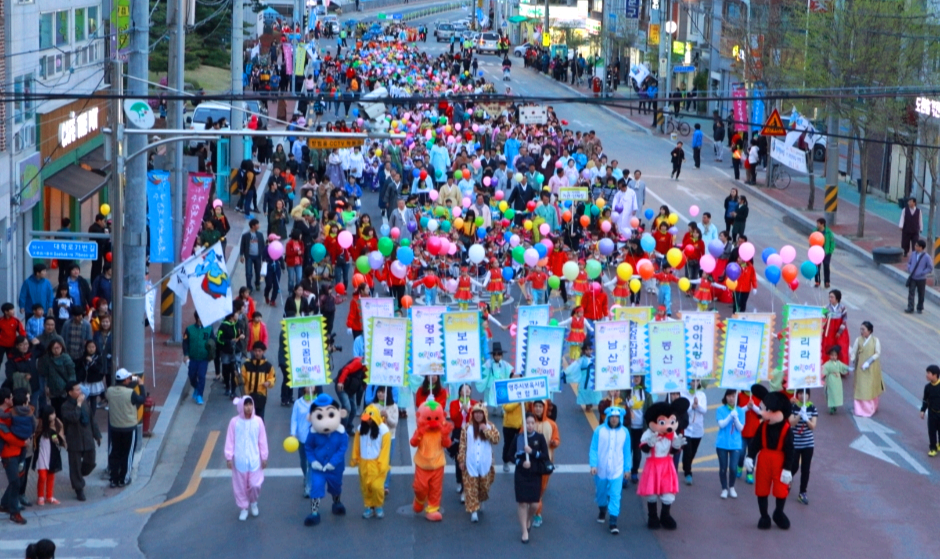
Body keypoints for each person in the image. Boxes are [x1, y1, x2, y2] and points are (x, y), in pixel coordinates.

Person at [225, 395, 269, 521]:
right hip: (240, 461)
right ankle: (243, 507)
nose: (248, 408)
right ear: (241, 406)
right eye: (246, 405)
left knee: (255, 485)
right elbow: (230, 440)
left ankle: (253, 502)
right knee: (240, 486)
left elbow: (262, 440)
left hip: (255, 460)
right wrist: (229, 457)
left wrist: (264, 456)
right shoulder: (234, 422)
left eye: (250, 405)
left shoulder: (258, 421)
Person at [589, 406, 631, 535]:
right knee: (601, 493)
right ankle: (602, 509)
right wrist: (593, 465)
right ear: (608, 417)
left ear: (620, 418)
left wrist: (627, 469)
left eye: (617, 417)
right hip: (601, 469)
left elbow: (627, 452)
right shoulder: (599, 431)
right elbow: (594, 448)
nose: (614, 419)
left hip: (617, 469)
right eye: (612, 417)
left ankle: (613, 521)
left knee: (615, 495)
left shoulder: (625, 432)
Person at [457, 404, 500, 523]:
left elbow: (496, 439)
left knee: (484, 487)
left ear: (484, 414)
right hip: (470, 462)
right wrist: (461, 460)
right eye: (476, 412)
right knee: (471, 488)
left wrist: (485, 430)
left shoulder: (490, 426)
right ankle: (473, 510)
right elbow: (462, 445)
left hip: (485, 462)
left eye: (480, 413)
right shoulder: (467, 428)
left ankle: (481, 499)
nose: (478, 415)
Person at [106, 368, 146, 487]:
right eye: (128, 378)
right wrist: (141, 384)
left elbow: (118, 388)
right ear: (125, 381)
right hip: (129, 427)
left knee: (115, 452)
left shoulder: (109, 391)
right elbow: (142, 399)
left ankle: (113, 478)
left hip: (115, 427)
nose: (130, 379)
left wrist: (129, 381)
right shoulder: (130, 393)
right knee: (127, 454)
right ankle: (124, 478)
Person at [60, 381, 99, 501]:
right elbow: (74, 418)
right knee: (75, 464)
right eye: (77, 390)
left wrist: (97, 435)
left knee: (91, 461)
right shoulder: (65, 406)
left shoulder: (84, 402)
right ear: (70, 392)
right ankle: (78, 488)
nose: (80, 391)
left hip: (87, 437)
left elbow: (91, 419)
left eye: (79, 389)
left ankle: (78, 475)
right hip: (74, 438)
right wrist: (78, 404)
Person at [351, 404, 391, 519]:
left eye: (369, 419)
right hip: (364, 463)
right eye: (366, 419)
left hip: (377, 464)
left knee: (377, 487)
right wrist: (355, 457)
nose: (367, 422)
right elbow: (356, 445)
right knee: (365, 486)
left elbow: (385, 450)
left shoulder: (384, 431)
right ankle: (368, 506)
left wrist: (382, 464)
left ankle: (378, 505)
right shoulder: (360, 429)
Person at [514, 413, 547, 544]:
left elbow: (545, 456)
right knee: (522, 503)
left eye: (532, 423)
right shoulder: (519, 437)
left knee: (534, 504)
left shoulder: (539, 438)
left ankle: (528, 518)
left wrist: (532, 452)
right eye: (527, 423)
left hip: (535, 474)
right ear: (524, 424)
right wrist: (521, 463)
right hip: (521, 474)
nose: (530, 425)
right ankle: (524, 531)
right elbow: (510, 455)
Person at [528, 399, 559, 527]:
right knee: (533, 488)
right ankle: (536, 512)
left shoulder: (551, 424)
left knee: (541, 488)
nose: (538, 409)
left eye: (541, 406)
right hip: (530, 462)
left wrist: (554, 443)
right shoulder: (529, 424)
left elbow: (556, 439)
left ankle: (536, 509)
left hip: (545, 461)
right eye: (536, 406)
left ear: (545, 408)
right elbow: (520, 438)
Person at [788, 388, 817, 506]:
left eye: (805, 394)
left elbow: (813, 426)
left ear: (809, 395)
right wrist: (800, 415)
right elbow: (791, 423)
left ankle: (802, 492)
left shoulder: (812, 408)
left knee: (806, 469)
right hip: (795, 442)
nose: (802, 396)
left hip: (808, 443)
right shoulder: (793, 407)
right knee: (794, 465)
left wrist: (806, 419)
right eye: (800, 393)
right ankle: (788, 479)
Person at [849, 321, 883, 417]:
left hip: (871, 368)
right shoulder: (858, 340)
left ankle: (870, 408)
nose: (861, 331)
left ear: (870, 331)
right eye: (861, 329)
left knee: (869, 388)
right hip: (860, 368)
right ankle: (859, 409)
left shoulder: (875, 340)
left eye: (863, 329)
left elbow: (877, 353)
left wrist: (869, 362)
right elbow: (854, 352)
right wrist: (852, 360)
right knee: (860, 387)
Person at [33, 405, 65, 506]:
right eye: (51, 414)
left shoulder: (57, 423)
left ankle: (49, 496)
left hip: (53, 454)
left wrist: (58, 440)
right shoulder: (40, 425)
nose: (54, 415)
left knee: (51, 476)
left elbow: (61, 437)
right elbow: (36, 435)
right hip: (42, 454)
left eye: (54, 413)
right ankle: (40, 496)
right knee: (42, 476)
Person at [716, 389, 744, 499]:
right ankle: (724, 488)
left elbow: (740, 428)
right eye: (729, 396)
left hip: (735, 444)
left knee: (733, 467)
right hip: (722, 443)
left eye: (733, 396)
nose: (731, 398)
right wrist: (729, 416)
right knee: (723, 467)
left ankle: (731, 486)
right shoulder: (720, 409)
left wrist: (736, 418)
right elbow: (721, 425)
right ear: (726, 397)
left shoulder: (740, 411)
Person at [183, 312, 214, 405]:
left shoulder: (209, 329)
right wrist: (186, 354)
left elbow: (213, 341)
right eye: (200, 317)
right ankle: (196, 388)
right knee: (191, 375)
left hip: (203, 358)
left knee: (201, 376)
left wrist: (211, 351)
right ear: (196, 318)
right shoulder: (189, 329)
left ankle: (200, 395)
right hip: (192, 358)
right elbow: (185, 342)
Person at [241, 341, 276, 420]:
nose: (257, 353)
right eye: (256, 351)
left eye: (259, 351)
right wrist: (238, 378)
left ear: (263, 352)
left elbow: (273, 378)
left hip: (261, 396)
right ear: (253, 351)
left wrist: (269, 382)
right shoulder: (246, 365)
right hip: (248, 396)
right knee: (247, 419)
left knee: (259, 419)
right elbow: (242, 379)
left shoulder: (268, 366)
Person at [682, 381, 707, 485]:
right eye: (692, 380)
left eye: (697, 380)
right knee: (687, 451)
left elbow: (704, 410)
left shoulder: (701, 395)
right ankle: (688, 472)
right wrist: (691, 407)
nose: (695, 382)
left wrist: (698, 405)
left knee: (693, 452)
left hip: (698, 429)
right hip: (686, 428)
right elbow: (682, 409)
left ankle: (687, 465)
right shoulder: (684, 393)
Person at [905, 239, 932, 314]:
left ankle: (920, 307)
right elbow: (909, 263)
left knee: (921, 293)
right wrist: (909, 268)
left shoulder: (927, 257)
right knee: (911, 292)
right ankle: (910, 307)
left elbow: (930, 268)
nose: (915, 246)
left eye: (916, 245)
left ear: (921, 247)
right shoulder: (913, 254)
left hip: (921, 279)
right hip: (913, 277)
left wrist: (922, 273)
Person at [823, 290, 850, 365]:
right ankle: (827, 367)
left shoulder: (842, 308)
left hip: (840, 331)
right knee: (827, 347)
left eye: (832, 297)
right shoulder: (826, 307)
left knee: (841, 348)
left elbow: (844, 320)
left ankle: (841, 368)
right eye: (829, 297)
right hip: (829, 331)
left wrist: (839, 332)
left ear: (837, 298)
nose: (830, 299)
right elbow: (823, 319)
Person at [240, 219, 265, 292]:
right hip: (249, 256)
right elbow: (242, 246)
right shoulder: (245, 235)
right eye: (257, 224)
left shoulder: (260, 235)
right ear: (253, 226)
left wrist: (263, 256)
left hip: (258, 256)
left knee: (258, 271)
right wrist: (241, 255)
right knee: (248, 272)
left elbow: (262, 245)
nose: (259, 226)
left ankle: (257, 283)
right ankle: (249, 287)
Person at [822, 346, 849, 414]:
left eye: (835, 355)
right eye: (832, 355)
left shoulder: (839, 363)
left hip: (837, 380)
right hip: (831, 380)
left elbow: (844, 367)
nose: (833, 357)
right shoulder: (827, 364)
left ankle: (835, 405)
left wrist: (848, 368)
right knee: (831, 393)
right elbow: (823, 369)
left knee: (836, 393)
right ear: (829, 356)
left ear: (837, 356)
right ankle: (832, 407)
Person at [921, 364, 940, 457]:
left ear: (935, 375)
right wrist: (923, 410)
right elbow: (925, 400)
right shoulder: (927, 387)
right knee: (931, 431)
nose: (927, 375)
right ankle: (933, 448)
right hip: (932, 413)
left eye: (929, 373)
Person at [814, 218, 835, 288]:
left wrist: (830, 250)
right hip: (817, 252)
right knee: (817, 267)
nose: (817, 225)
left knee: (826, 266)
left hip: (826, 252)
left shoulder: (828, 232)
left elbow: (832, 242)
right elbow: (811, 240)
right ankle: (817, 281)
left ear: (822, 224)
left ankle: (827, 282)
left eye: (818, 223)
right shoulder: (815, 231)